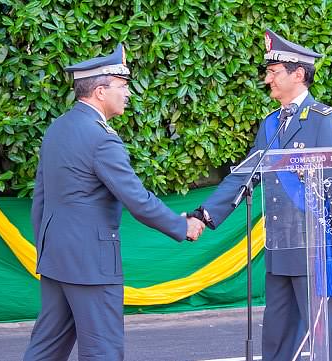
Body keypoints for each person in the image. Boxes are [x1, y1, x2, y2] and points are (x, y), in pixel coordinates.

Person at [23, 43, 205, 361]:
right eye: (122, 86)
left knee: (45, 349)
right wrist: (182, 225)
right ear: (100, 91)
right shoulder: (101, 138)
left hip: (56, 258)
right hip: (92, 263)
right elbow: (137, 199)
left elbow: (41, 198)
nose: (128, 94)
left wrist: (46, 248)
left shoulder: (57, 128)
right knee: (102, 350)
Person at [189, 29, 332, 361]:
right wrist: (204, 214)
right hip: (281, 247)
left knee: (328, 340)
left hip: (316, 250)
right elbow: (246, 174)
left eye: (273, 72)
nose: (267, 79)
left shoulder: (324, 121)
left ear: (299, 74)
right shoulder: (271, 124)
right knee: (277, 339)